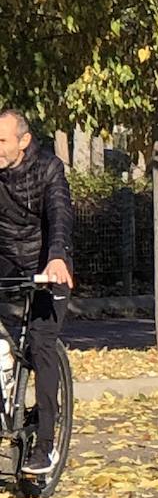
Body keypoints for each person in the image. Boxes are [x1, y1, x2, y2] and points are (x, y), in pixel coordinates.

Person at [0, 111, 74, 474]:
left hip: (47, 263)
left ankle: (45, 445)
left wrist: (57, 257)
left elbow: (60, 213)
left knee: (42, 345)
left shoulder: (48, 168)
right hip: (6, 259)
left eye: (1, 141)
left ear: (23, 141)